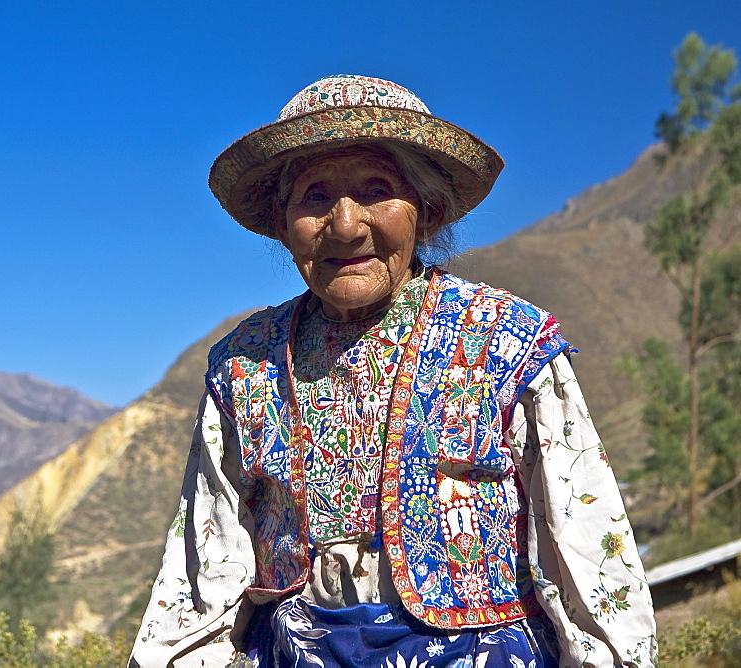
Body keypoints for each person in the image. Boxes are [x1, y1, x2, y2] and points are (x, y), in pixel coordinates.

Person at [130, 75, 656, 667]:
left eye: (378, 190)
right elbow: (205, 574)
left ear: (425, 214)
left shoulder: (506, 341)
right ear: (283, 223)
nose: (347, 225)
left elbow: (588, 555)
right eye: (315, 196)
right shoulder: (242, 362)